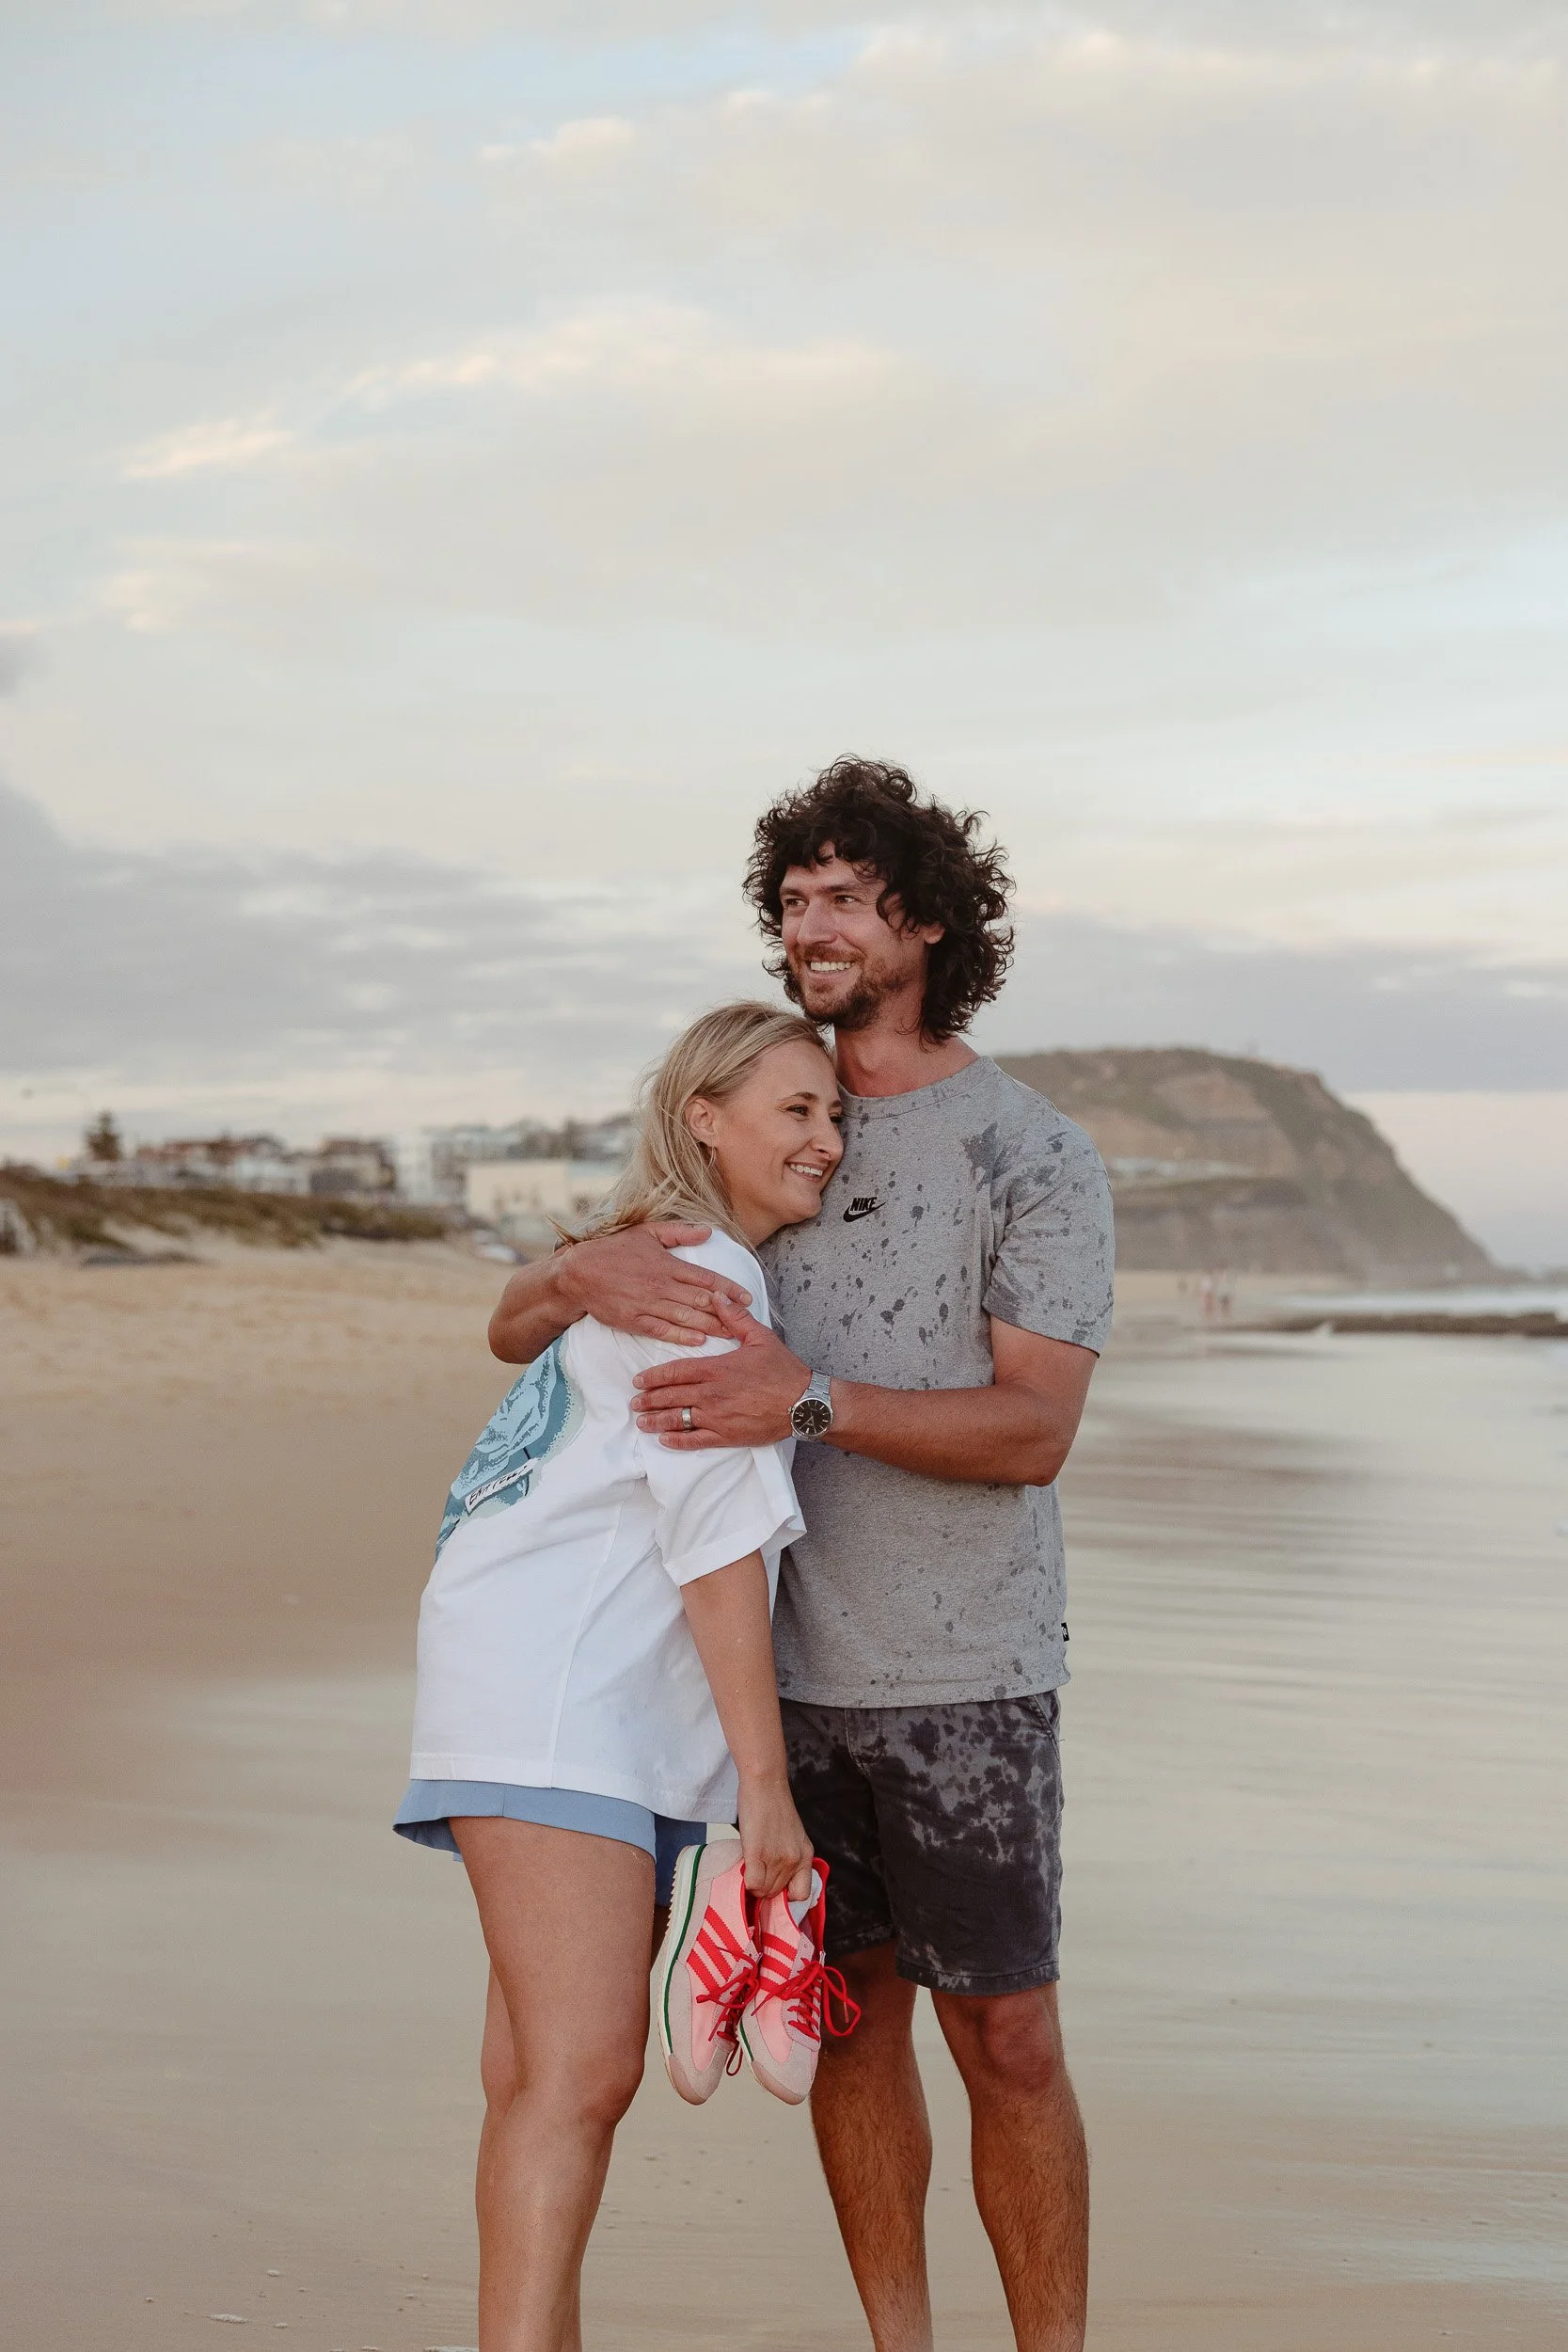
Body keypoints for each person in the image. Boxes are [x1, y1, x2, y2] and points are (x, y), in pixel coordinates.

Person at [490, 758, 1115, 2352]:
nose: (810, 926)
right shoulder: (766, 1112)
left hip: (966, 1668)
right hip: (770, 1681)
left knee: (1011, 2043)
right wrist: (572, 1272)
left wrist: (807, 1400)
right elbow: (541, 1309)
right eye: (790, 901)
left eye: (845, 896)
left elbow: (1034, 1429)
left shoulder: (1026, 1150)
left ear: (930, 918)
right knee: (842, 2033)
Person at [396, 1001, 845, 2352]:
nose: (827, 1140)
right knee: (580, 2076)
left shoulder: (658, 1257)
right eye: (795, 1110)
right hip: (563, 1697)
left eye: (834, 1114)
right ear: (703, 1117)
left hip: (548, 1686)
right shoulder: (704, 1279)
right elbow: (716, 1546)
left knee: (538, 2075)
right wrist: (766, 1791)